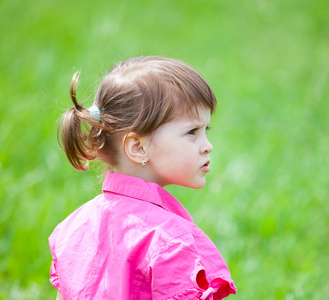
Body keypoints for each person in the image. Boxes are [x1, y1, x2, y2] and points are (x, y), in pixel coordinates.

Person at [49, 56, 237, 299]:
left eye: (205, 130)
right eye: (192, 132)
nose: (207, 146)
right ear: (138, 147)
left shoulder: (74, 228)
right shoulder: (170, 241)